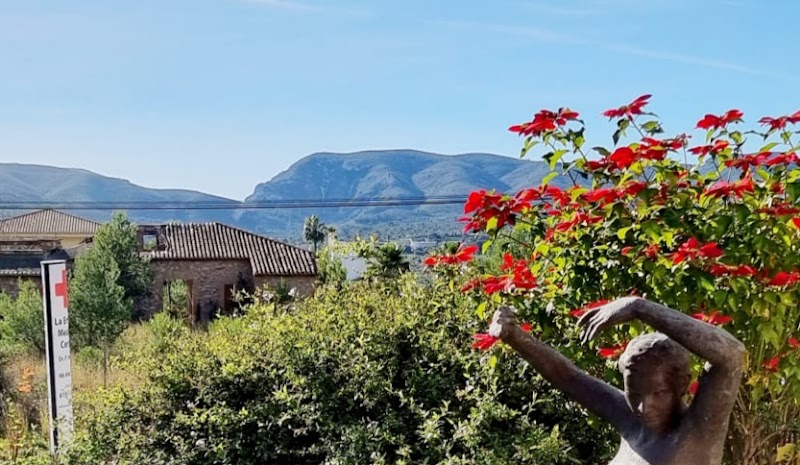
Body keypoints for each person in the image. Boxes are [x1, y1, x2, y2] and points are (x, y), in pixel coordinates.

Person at [489, 296, 744, 465]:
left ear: (682, 385)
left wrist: (638, 307)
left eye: (658, 393)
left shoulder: (698, 433)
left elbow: (732, 355)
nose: (644, 407)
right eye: (634, 393)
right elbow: (567, 376)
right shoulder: (630, 419)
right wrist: (513, 336)